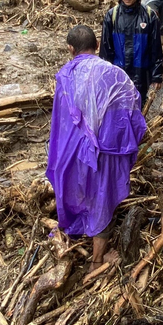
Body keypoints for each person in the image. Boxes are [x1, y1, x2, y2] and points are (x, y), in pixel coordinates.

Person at [46, 25, 147, 266]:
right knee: (103, 195)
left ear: (70, 49)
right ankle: (98, 258)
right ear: (98, 46)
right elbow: (133, 109)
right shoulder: (116, 74)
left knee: (79, 185)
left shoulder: (65, 75)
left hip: (77, 148)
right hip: (110, 147)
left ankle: (91, 250)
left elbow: (61, 122)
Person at [100, 0, 163, 101]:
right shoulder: (112, 16)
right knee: (118, 109)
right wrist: (104, 76)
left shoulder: (149, 15)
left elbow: (155, 49)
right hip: (118, 74)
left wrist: (156, 75)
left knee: (137, 107)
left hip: (141, 74)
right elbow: (105, 49)